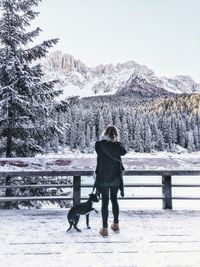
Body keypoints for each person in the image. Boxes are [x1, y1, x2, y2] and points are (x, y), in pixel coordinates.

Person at [94, 125, 127, 237]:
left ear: (105, 133)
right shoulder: (117, 146)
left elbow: (98, 150)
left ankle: (104, 229)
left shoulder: (99, 144)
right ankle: (116, 224)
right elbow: (124, 152)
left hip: (103, 177)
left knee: (105, 202)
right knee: (114, 200)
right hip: (115, 177)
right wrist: (117, 141)